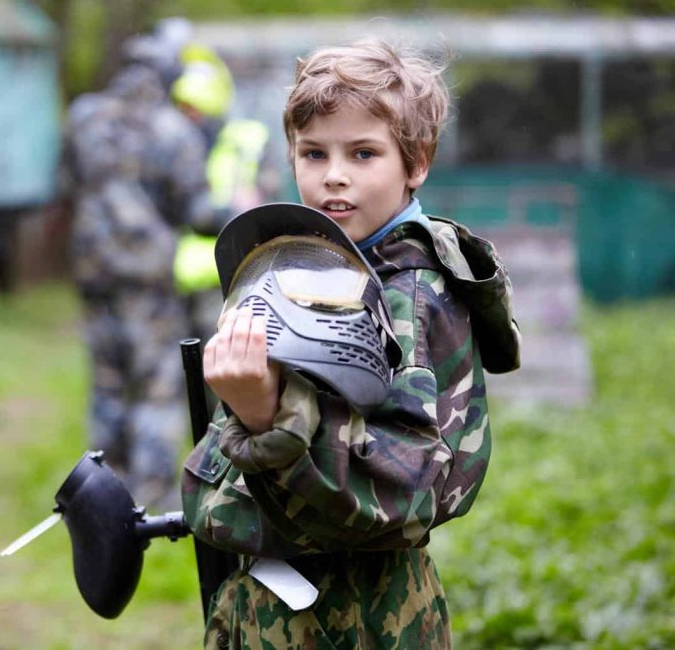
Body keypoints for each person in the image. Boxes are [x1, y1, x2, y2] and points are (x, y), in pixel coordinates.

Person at [183, 40, 522, 648]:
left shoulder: (410, 296)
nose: (333, 175)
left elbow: (404, 491)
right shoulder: (322, 269)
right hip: (273, 601)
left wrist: (268, 415)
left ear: (414, 163)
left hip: (354, 615)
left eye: (363, 153)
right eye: (313, 153)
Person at [60, 30, 231, 510]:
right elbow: (196, 210)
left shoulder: (84, 116)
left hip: (92, 270)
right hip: (149, 277)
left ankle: (101, 495)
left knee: (108, 382)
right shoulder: (171, 129)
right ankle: (148, 497)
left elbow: (68, 180)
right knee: (156, 388)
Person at [170, 42, 281, 344]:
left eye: (194, 110)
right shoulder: (169, 145)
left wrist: (221, 213)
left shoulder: (248, 141)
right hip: (170, 283)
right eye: (183, 110)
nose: (188, 118)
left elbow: (263, 214)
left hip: (227, 281)